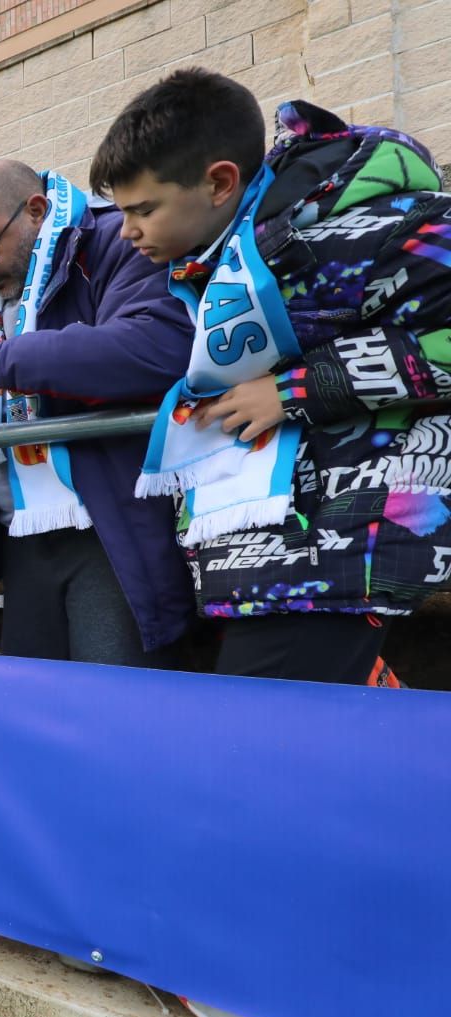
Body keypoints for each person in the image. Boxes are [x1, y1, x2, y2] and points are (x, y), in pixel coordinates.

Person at [91, 69, 451, 685]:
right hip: (280, 554)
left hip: (344, 551)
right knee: (310, 743)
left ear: (220, 182)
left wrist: (293, 392)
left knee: (264, 751)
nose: (126, 233)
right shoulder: (223, 255)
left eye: (143, 210)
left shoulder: (360, 226)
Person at [0, 160, 196, 666]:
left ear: (35, 212)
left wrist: (6, 364)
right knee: (35, 704)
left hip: (106, 520)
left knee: (111, 704)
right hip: (22, 527)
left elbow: (152, 349)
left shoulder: (116, 239)